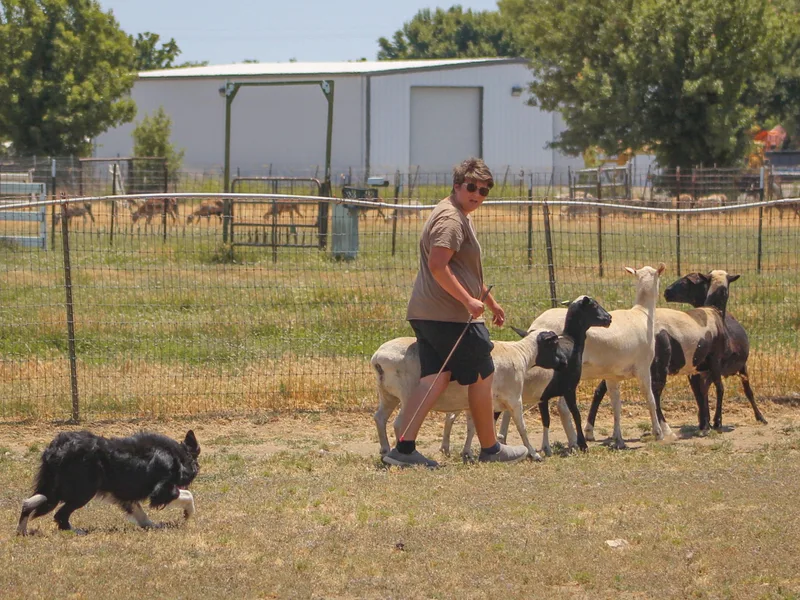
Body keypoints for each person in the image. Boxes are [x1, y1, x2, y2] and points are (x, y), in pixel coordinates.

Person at [382, 158, 530, 468]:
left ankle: (404, 449)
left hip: (430, 313)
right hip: (448, 316)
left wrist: (488, 302)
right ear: (457, 185)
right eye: (472, 187)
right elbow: (439, 266)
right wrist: (467, 301)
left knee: (434, 378)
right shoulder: (451, 218)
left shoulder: (455, 212)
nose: (478, 194)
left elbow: (462, 270)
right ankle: (491, 449)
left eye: (485, 190)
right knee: (482, 372)